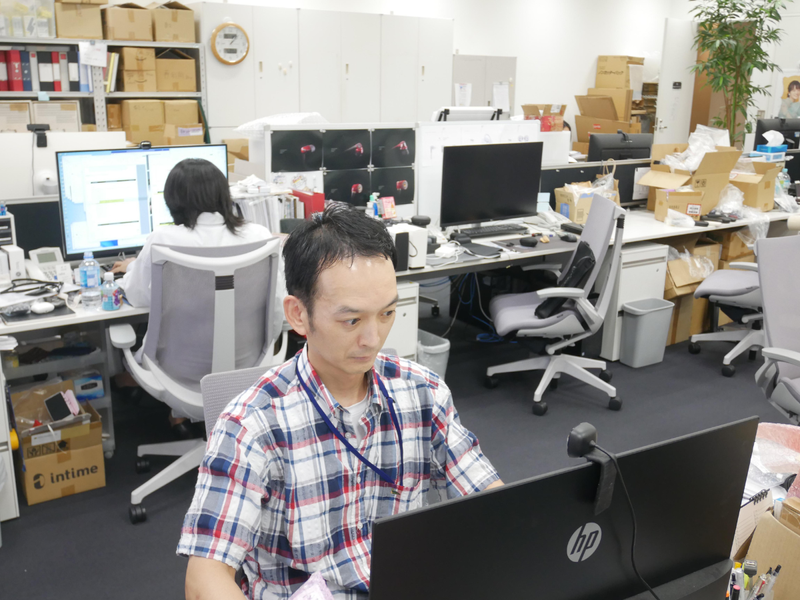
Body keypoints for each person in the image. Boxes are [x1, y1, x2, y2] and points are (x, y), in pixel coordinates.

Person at [178, 203, 503, 599]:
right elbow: (205, 580)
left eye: (387, 313)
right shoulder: (252, 425)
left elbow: (492, 504)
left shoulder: (423, 392)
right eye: (352, 320)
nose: (373, 339)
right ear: (299, 315)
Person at [111, 158, 283, 437]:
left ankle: (177, 417)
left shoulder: (163, 239)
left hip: (175, 378)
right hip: (248, 369)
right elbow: (277, 310)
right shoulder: (259, 236)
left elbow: (138, 296)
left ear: (173, 201)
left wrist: (133, 267)